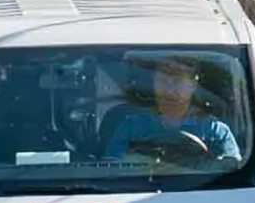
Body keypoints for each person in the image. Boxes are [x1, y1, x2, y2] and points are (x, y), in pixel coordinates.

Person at [98, 55, 244, 170]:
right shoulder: (132, 125)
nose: (169, 91)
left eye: (178, 81)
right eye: (163, 81)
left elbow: (232, 171)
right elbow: (111, 170)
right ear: (154, 82)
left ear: (193, 84)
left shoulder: (215, 131)